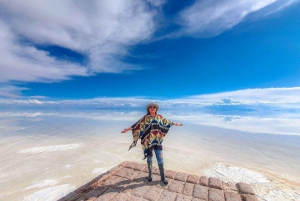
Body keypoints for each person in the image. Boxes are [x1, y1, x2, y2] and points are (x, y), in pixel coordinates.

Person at [121, 103, 183, 185]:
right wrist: (127, 129)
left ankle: (163, 177)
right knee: (149, 158)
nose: (152, 108)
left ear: (156, 109)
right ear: (148, 109)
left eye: (154, 107)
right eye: (151, 107)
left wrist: (176, 124)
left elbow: (168, 123)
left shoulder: (159, 117)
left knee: (160, 159)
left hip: (157, 142)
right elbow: (137, 125)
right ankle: (150, 175)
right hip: (148, 142)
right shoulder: (145, 118)